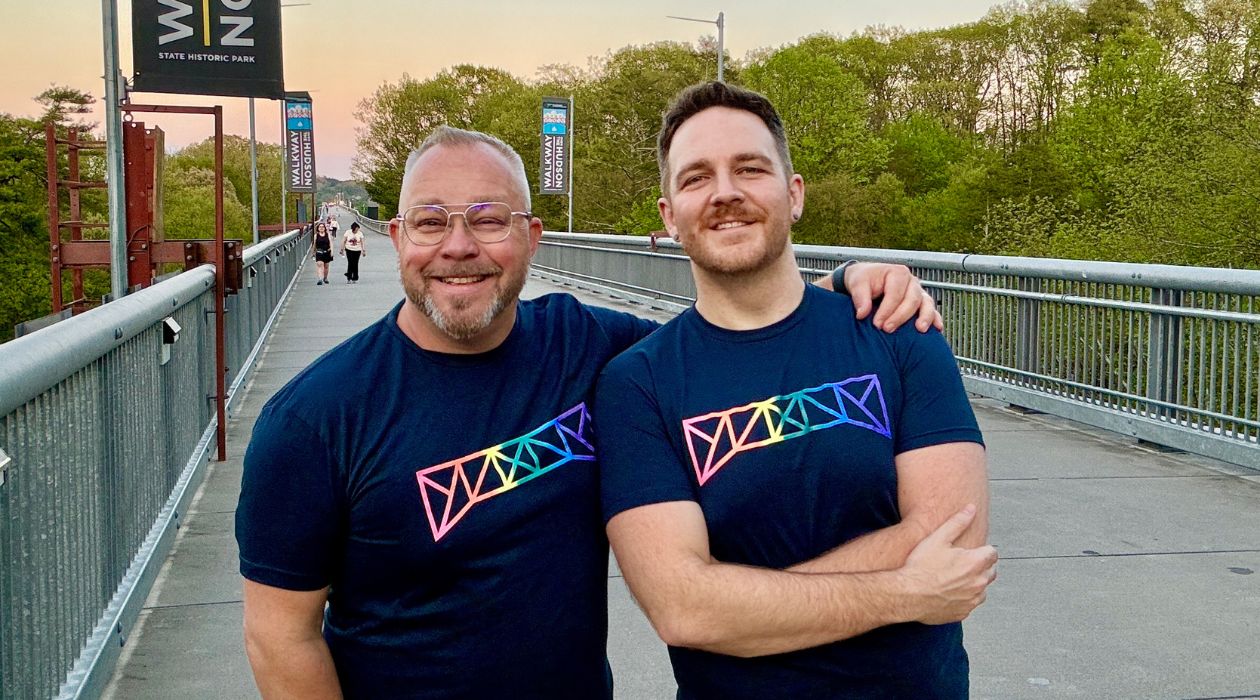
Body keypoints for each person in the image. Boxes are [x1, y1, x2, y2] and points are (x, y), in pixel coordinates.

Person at [236, 126, 943, 699]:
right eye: (432, 223)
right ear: (396, 237)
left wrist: (847, 285)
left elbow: (731, 343)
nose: (459, 247)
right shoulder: (314, 421)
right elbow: (280, 637)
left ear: (532, 238)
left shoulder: (592, 346)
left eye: (489, 220)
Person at [594, 82, 995, 699]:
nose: (726, 192)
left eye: (749, 168)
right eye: (697, 177)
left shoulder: (896, 329)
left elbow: (957, 540)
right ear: (669, 216)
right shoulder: (637, 383)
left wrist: (742, 601)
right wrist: (907, 589)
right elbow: (684, 609)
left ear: (794, 192)